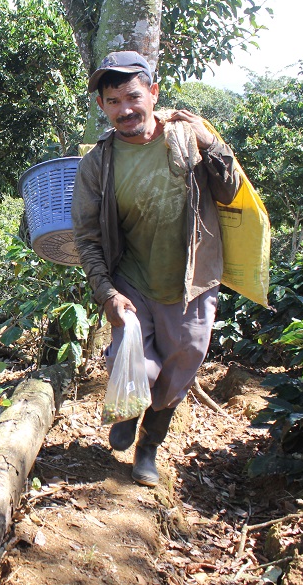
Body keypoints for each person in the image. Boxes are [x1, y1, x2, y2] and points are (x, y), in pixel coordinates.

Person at [71, 50, 242, 487]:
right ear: (102, 107)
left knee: (178, 372)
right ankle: (129, 412)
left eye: (132, 97)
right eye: (113, 102)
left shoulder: (185, 137)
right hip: (134, 279)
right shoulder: (98, 163)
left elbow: (230, 191)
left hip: (192, 281)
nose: (125, 110)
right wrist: (107, 293)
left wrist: (210, 141)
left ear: (153, 92)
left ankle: (149, 446)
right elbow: (87, 236)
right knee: (135, 366)